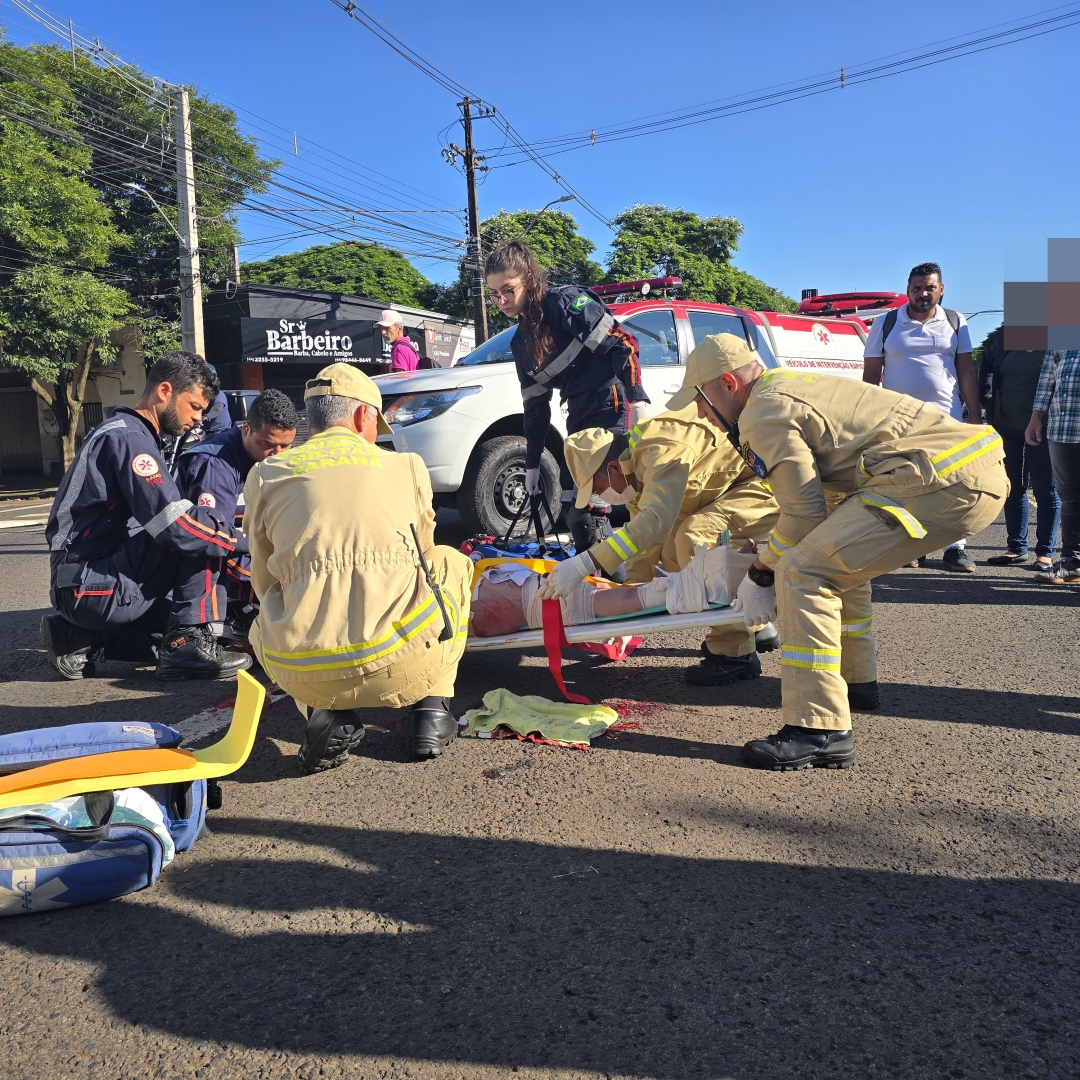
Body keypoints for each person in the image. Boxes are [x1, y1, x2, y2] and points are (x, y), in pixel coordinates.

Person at [673, 332, 1007, 771]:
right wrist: (774, 553)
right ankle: (855, 682)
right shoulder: (790, 385)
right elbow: (821, 507)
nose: (701, 413)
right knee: (833, 561)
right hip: (967, 466)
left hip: (936, 478)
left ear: (728, 384)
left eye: (700, 399)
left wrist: (761, 572)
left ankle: (819, 728)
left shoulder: (761, 413)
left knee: (804, 572)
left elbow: (801, 515)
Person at [244, 363, 473, 773]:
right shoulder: (407, 467)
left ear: (311, 421)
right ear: (363, 415)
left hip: (304, 671)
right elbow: (423, 561)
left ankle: (322, 712)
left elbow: (263, 580)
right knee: (450, 562)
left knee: (264, 616)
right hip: (403, 666)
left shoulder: (266, 473)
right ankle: (432, 709)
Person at [41, 352, 253, 683]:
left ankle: (79, 637)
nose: (199, 418)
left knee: (179, 617)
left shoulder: (127, 431)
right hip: (90, 582)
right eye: (195, 406)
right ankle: (185, 645)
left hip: (82, 583)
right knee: (201, 537)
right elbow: (175, 525)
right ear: (165, 391)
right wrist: (243, 543)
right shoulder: (130, 438)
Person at [544, 397, 781, 685]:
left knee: (695, 540)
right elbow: (642, 542)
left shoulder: (660, 452)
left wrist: (584, 562)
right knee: (673, 550)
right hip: (728, 489)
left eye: (598, 487)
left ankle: (735, 652)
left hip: (761, 483)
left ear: (613, 468)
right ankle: (756, 625)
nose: (601, 497)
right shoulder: (634, 469)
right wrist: (625, 611)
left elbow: (655, 521)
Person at [484, 240, 648, 551]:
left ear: (529, 280)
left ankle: (616, 584)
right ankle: (597, 584)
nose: (501, 299)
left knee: (597, 508)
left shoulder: (564, 304)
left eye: (508, 289)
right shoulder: (521, 343)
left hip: (610, 402)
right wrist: (532, 463)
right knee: (575, 512)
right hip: (577, 414)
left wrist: (636, 399)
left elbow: (624, 343)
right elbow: (535, 408)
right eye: (494, 294)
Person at [862, 262, 980, 572]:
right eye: (916, 288)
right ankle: (910, 548)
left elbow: (966, 370)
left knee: (952, 483)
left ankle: (955, 549)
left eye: (929, 287)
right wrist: (866, 419)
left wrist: (976, 417)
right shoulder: (886, 324)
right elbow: (871, 374)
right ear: (908, 290)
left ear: (941, 289)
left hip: (946, 418)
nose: (922, 293)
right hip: (898, 420)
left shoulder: (955, 321)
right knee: (905, 483)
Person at [174, 389, 298, 639]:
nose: (278, 454)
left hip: (249, 554)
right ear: (246, 429)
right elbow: (215, 540)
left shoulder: (278, 461)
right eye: (267, 444)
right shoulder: (214, 466)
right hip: (200, 566)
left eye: (286, 445)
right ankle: (199, 634)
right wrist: (282, 575)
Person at [472, 540, 758, 637]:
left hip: (492, 587)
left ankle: (719, 576)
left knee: (617, 593)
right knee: (601, 599)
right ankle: (716, 578)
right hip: (502, 600)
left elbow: (650, 522)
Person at [979, 328, 1059, 569]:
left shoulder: (1059, 339)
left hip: (1046, 427)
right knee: (1012, 487)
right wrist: (987, 398)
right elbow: (987, 366)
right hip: (1005, 424)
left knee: (1046, 490)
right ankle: (1016, 547)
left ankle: (1045, 552)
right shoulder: (1007, 337)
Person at [1025, 349, 1080, 585]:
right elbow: (1047, 380)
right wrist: (1035, 418)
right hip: (1062, 428)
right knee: (1070, 499)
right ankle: (1072, 562)